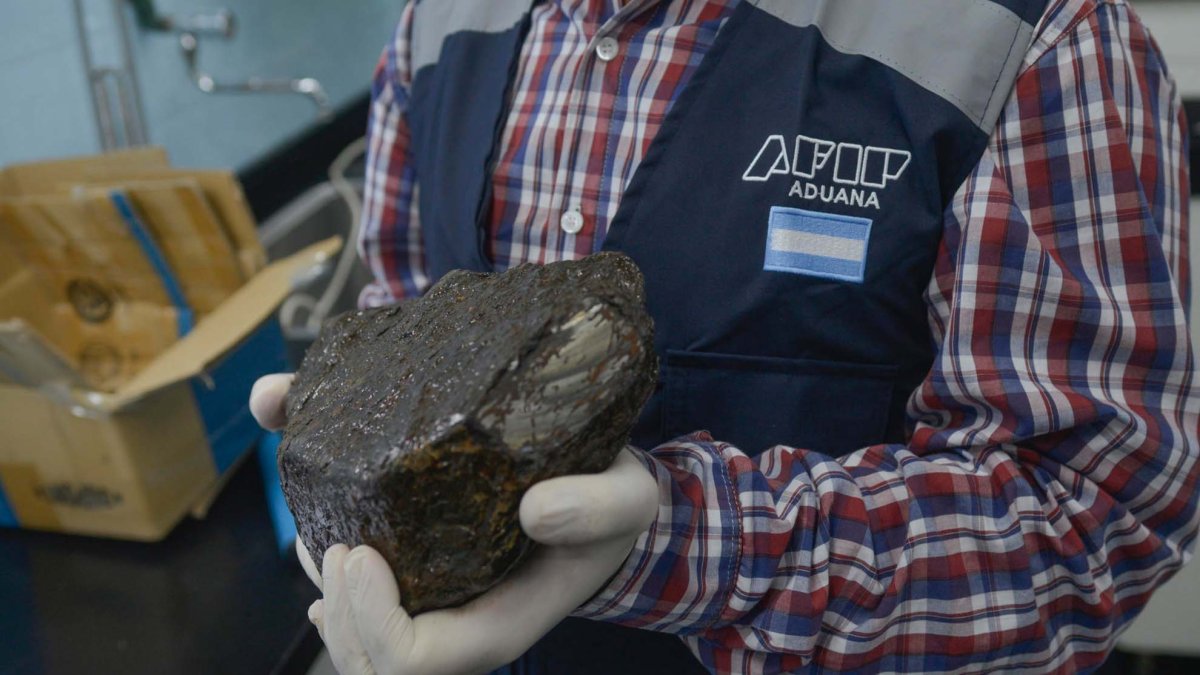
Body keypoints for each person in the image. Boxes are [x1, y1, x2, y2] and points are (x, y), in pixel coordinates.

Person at [250, 0, 1200, 672]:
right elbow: (399, 313)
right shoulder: (435, 20)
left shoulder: (1033, 38)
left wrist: (680, 542)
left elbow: (1091, 521)